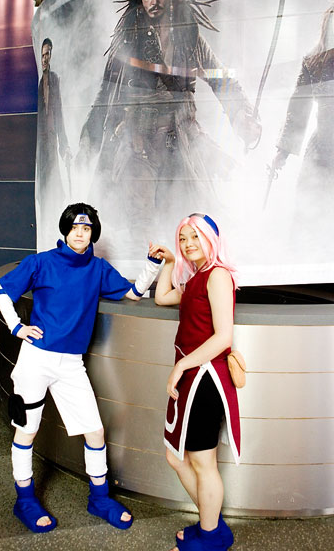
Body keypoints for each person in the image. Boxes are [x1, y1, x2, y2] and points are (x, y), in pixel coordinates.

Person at [0, 202, 162, 533]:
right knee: (27, 430)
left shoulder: (97, 269)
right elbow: (1, 289)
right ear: (65, 230)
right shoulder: (42, 262)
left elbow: (132, 293)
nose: (80, 234)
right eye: (74, 228)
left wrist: (152, 264)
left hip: (71, 364)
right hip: (36, 359)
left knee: (95, 431)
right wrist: (16, 327)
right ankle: (24, 500)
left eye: (86, 228)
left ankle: (99, 498)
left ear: (92, 233)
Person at [78, 0, 260, 254]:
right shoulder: (127, 43)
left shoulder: (189, 40)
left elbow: (221, 80)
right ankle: (144, 276)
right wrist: (91, 135)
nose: (154, 1)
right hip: (139, 144)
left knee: (191, 220)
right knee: (141, 226)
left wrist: (242, 117)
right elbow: (105, 95)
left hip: (182, 142)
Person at [153, 213, 240, 551]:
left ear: (211, 239)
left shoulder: (218, 275)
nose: (188, 243)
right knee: (176, 457)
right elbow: (162, 297)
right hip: (192, 376)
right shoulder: (195, 279)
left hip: (206, 378)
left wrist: (181, 366)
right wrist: (169, 263)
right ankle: (211, 525)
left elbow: (223, 337)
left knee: (203, 462)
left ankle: (211, 536)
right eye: (183, 238)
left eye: (195, 237)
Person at [271, 3, 334, 258]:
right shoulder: (313, 60)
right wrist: (283, 152)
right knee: (309, 211)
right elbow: (298, 107)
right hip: (322, 149)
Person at [36, 38, 70, 244]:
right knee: (45, 182)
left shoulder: (54, 79)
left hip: (51, 140)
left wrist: (64, 143)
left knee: (54, 181)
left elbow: (59, 113)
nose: (45, 59)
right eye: (42, 55)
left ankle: (55, 224)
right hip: (42, 143)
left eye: (47, 54)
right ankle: (47, 223)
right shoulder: (40, 82)